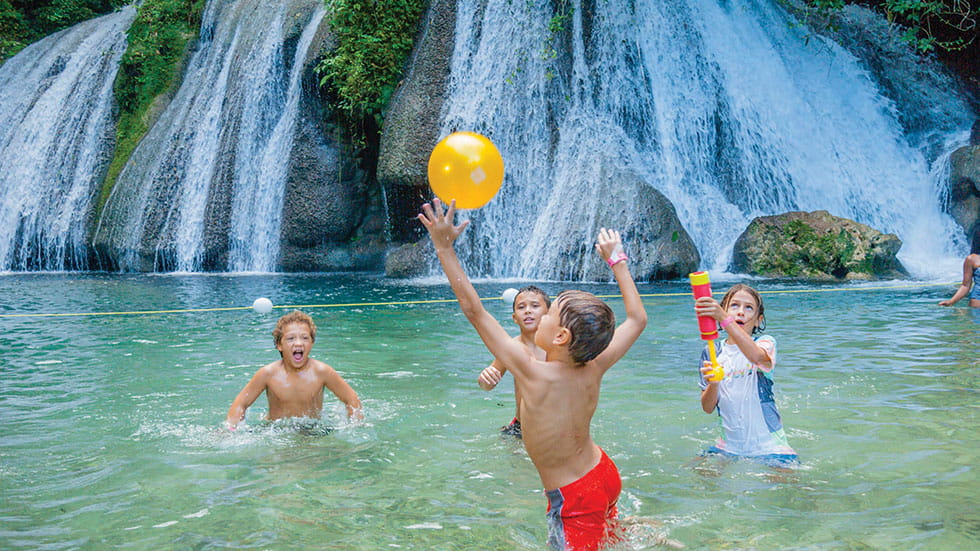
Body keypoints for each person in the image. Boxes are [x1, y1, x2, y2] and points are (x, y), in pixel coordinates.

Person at [418, 198, 647, 551]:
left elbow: (474, 311)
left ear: (559, 337)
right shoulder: (596, 364)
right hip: (603, 473)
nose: (540, 315)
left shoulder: (531, 372)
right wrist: (617, 261)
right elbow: (637, 320)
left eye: (550, 312)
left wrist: (443, 247)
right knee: (612, 535)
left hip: (574, 497)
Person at [693, 284, 797, 467]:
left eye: (749, 308)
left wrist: (725, 319)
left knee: (795, 490)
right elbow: (707, 407)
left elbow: (756, 357)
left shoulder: (765, 343)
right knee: (696, 477)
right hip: (728, 446)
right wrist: (714, 383)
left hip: (769, 444)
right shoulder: (712, 352)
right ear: (723, 310)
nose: (740, 312)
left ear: (758, 320)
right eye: (734, 306)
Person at [225, 310, 362, 429]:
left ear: (312, 343)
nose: (298, 343)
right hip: (276, 430)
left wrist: (355, 426)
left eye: (305, 338)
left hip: (312, 429)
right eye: (290, 338)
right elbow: (240, 405)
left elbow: (351, 399)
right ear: (279, 345)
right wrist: (232, 430)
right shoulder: (267, 374)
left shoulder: (322, 372)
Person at [477, 285, 550, 438]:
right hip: (521, 427)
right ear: (514, 318)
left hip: (552, 426)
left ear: (548, 314)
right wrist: (486, 377)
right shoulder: (511, 348)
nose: (528, 311)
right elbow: (486, 386)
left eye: (535, 306)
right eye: (521, 307)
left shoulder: (558, 348)